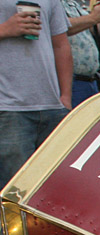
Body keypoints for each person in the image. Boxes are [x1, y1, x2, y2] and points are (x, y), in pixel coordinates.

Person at [0, 0, 72, 190]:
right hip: (9, 109)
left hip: (52, 107)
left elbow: (61, 45)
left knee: (53, 188)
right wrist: (5, 29)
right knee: (16, 191)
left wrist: (65, 97)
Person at [61, 0, 100, 107]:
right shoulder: (50, 4)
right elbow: (59, 27)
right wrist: (93, 17)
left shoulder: (72, 3)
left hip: (89, 80)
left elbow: (95, 28)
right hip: (71, 81)